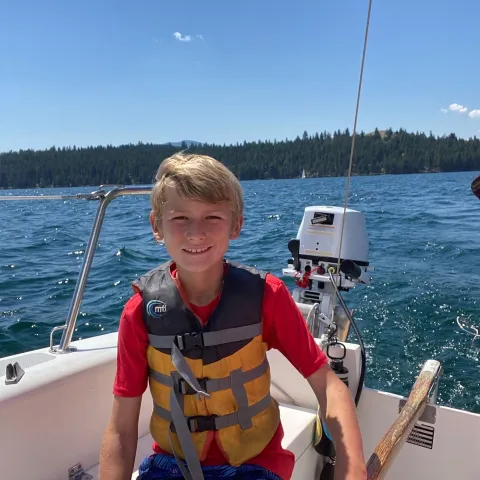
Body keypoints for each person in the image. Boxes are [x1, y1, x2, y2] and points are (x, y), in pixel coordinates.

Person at [98, 152, 367, 480]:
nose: (196, 233)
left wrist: (351, 470)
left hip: (254, 465)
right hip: (171, 466)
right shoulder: (139, 314)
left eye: (212, 218)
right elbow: (121, 432)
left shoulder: (267, 297)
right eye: (180, 218)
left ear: (236, 224)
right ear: (157, 226)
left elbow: (328, 386)